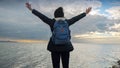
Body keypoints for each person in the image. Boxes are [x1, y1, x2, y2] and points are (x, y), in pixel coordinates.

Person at [25, 2, 92, 68]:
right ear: (63, 15)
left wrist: (31, 9)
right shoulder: (67, 22)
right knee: (66, 66)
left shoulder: (52, 22)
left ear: (55, 15)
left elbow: (41, 16)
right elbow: (76, 18)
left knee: (56, 66)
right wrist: (85, 13)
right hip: (66, 47)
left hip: (54, 47)